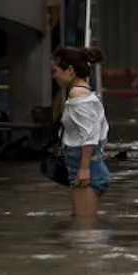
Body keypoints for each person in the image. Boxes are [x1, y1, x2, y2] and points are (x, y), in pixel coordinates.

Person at [51, 46, 110, 218]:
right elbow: (100, 132)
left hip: (84, 166)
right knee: (82, 224)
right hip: (90, 163)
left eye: (55, 70)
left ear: (70, 70)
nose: (54, 76)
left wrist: (84, 169)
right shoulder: (86, 93)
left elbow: (89, 136)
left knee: (83, 229)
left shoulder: (78, 96)